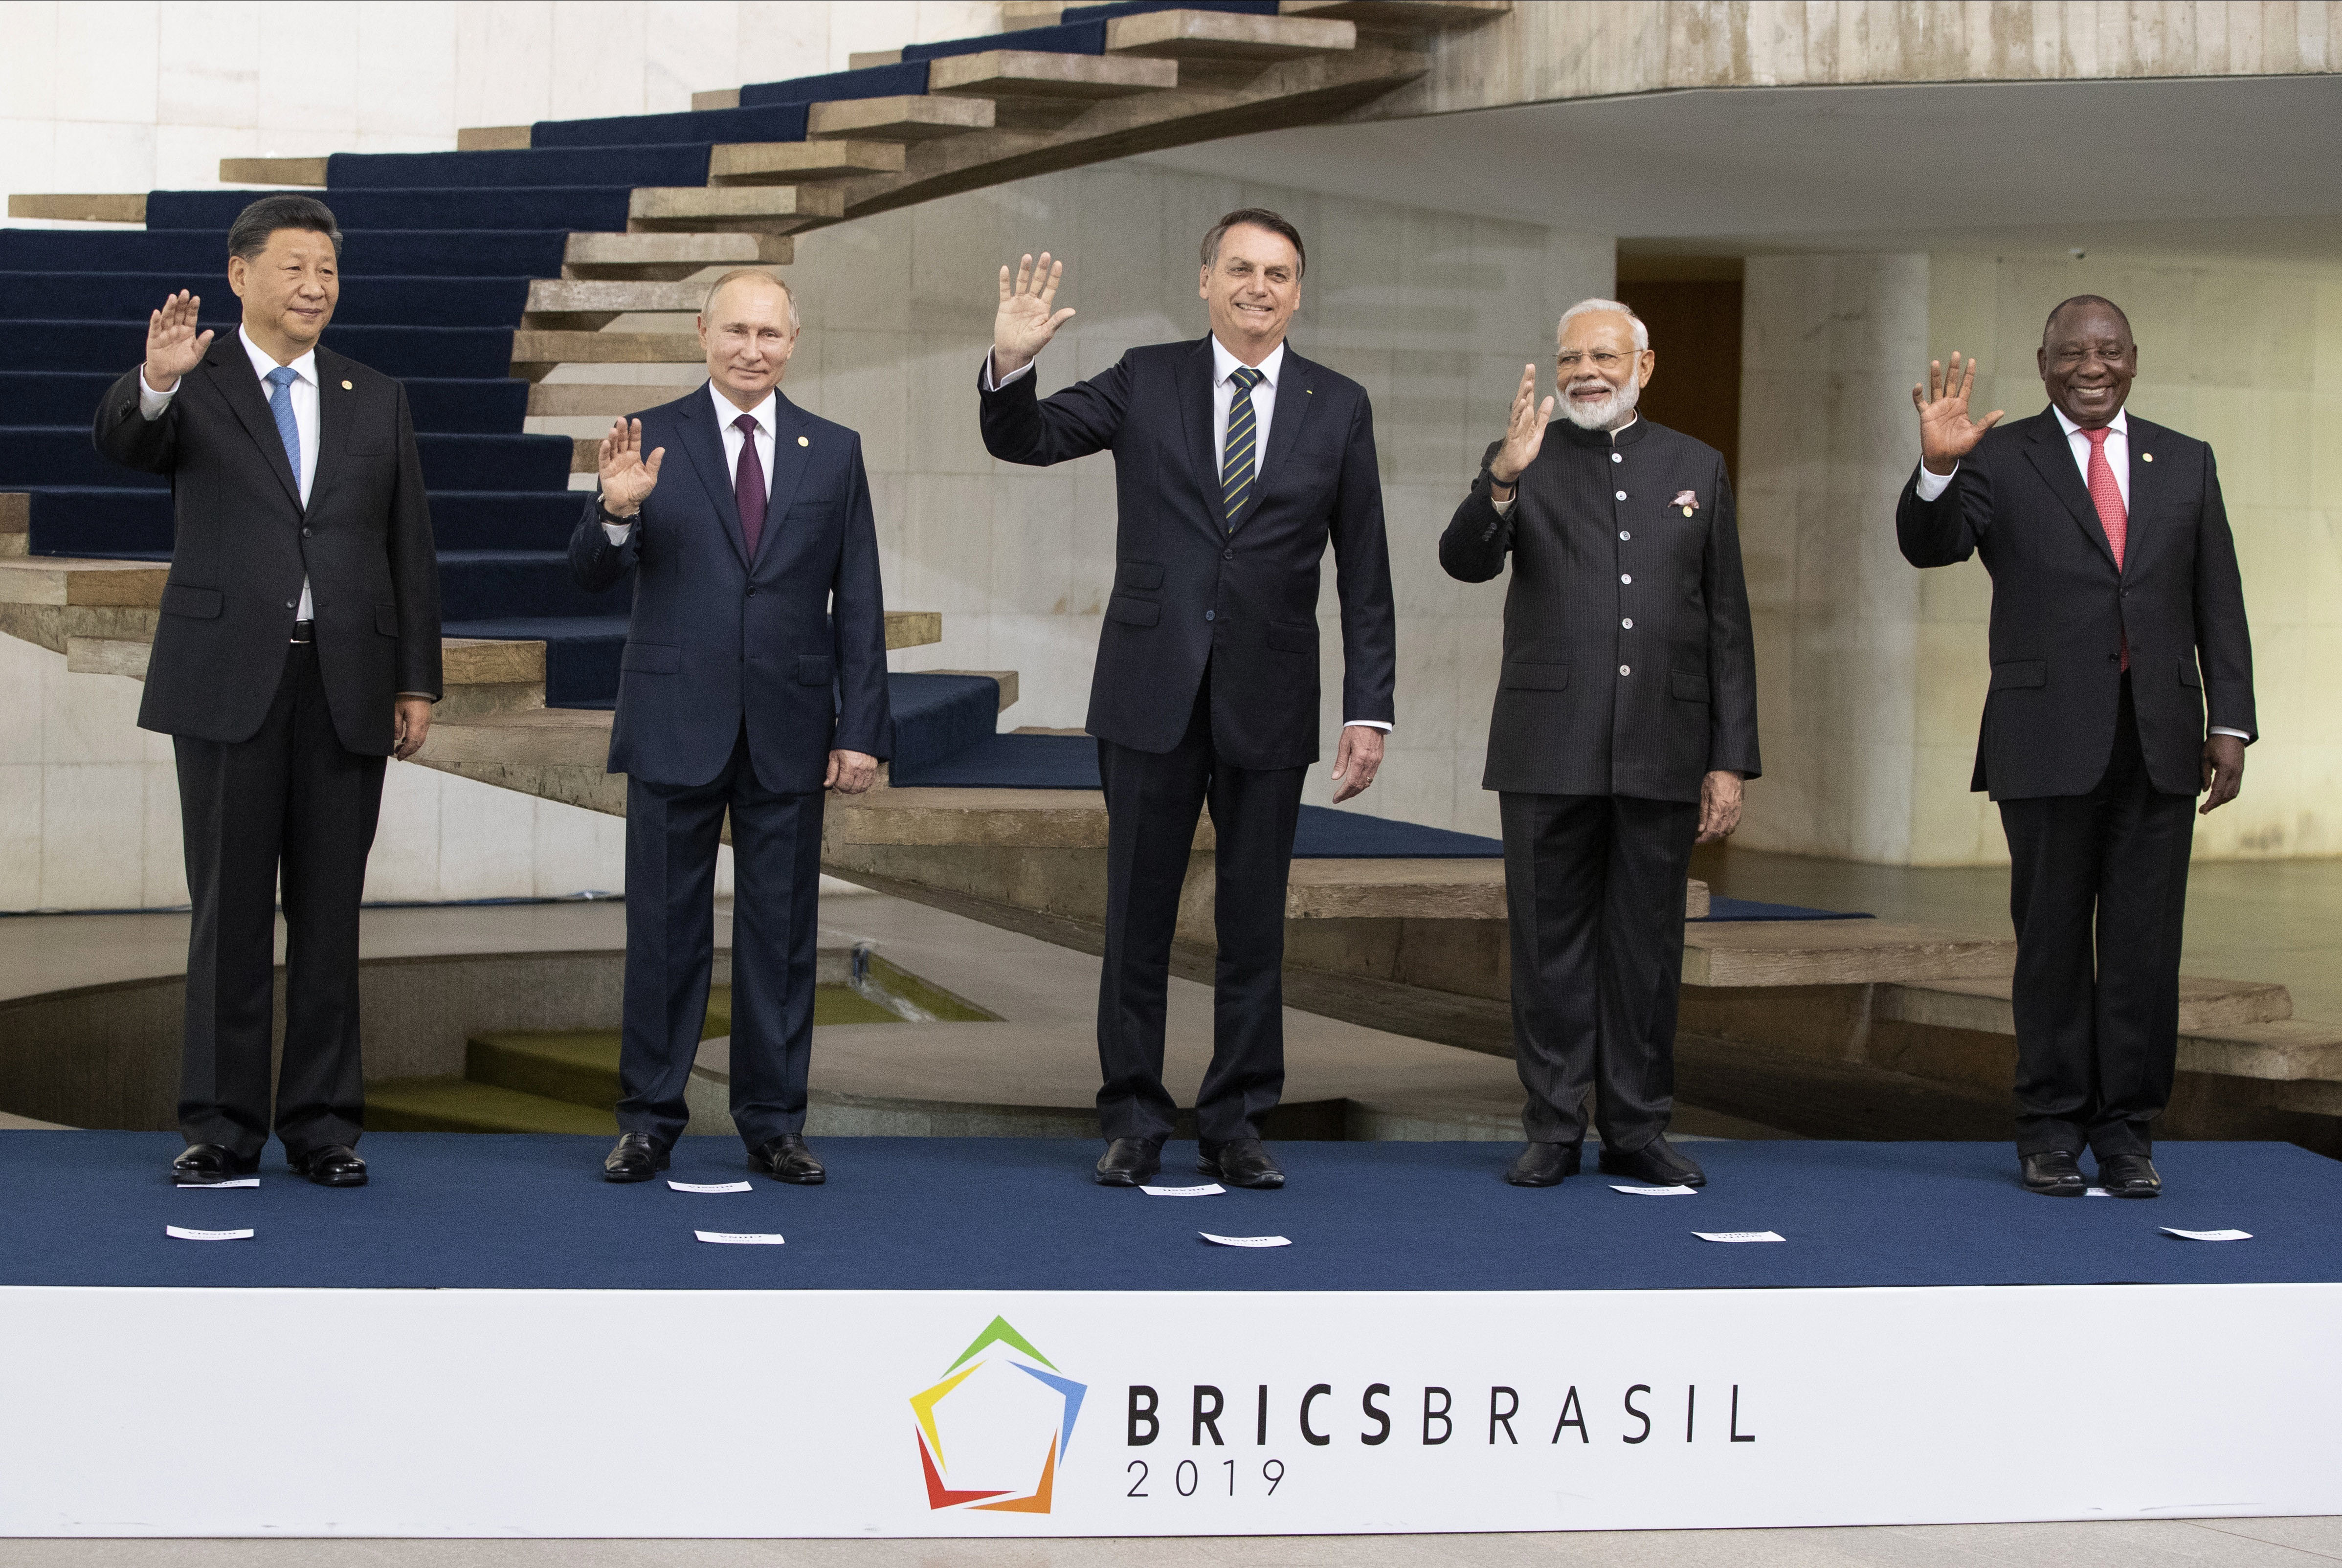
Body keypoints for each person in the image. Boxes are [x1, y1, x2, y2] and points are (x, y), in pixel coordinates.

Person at [978, 210, 1397, 1190]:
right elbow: (1028, 440)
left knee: (1254, 922)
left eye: (1279, 272)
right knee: (1136, 916)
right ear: (1204, 279)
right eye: (1241, 267)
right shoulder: (1145, 376)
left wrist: (1367, 704)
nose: (1259, 285)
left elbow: (1365, 568)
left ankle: (1238, 1121)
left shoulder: (1337, 404)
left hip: (1272, 695)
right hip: (1148, 690)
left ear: (1299, 292)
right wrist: (1009, 365)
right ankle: (1131, 1115)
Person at [91, 194, 442, 1189]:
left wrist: (417, 678)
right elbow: (126, 441)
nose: (314, 287)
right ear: (240, 275)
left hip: (347, 682)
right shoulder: (192, 383)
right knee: (229, 910)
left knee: (331, 914)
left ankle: (325, 1124)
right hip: (225, 681)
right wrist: (153, 381)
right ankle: (221, 1125)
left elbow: (406, 545)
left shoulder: (376, 394)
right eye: (294, 268)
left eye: (327, 270)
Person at [1898, 296, 2253, 1198]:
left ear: (2133, 358)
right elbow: (1929, 546)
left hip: (2161, 740)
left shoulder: (2184, 460)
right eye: (2070, 353)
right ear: (2043, 361)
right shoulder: (1999, 455)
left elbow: (2218, 599)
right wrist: (1936, 470)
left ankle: (2127, 1134)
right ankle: (2049, 1129)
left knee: (2143, 949)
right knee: (2052, 942)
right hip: (2045, 738)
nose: (2088, 366)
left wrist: (2229, 722)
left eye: (2105, 351)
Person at [571, 268, 889, 1185]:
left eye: (772, 335)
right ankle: (647, 1122)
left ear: (795, 341)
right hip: (676, 718)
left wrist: (860, 725)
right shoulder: (648, 439)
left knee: (781, 937)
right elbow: (588, 573)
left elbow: (859, 597)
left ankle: (773, 1123)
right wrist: (614, 511)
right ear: (703, 331)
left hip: (790, 724)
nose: (754, 350)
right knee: (663, 934)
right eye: (737, 331)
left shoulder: (833, 449)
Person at [1439, 299, 1759, 1191]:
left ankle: (1636, 1129)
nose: (1586, 370)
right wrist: (1501, 477)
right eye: (1571, 356)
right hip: (1548, 744)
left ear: (1642, 367)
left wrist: (1728, 757)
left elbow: (1724, 620)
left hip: (1665, 743)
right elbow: (1463, 560)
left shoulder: (1696, 464)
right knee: (1549, 949)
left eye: (1604, 356)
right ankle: (1551, 1126)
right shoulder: (1525, 459)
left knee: (1645, 951)